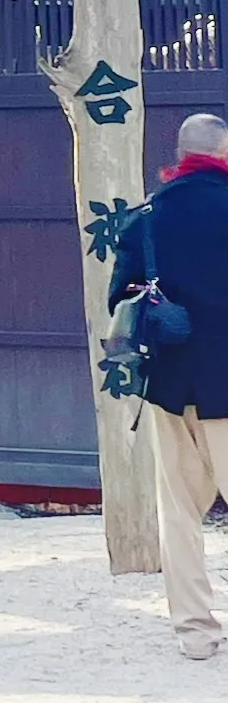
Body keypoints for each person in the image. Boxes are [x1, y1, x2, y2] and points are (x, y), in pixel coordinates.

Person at [110, 112, 228, 660]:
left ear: (181, 157)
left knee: (179, 512)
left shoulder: (148, 216)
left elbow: (121, 300)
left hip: (169, 384)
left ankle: (196, 634)